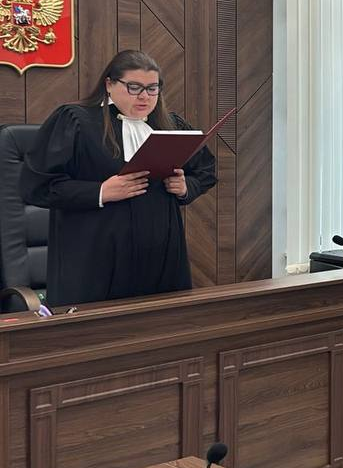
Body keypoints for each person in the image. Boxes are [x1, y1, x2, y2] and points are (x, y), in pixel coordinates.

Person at [20, 50, 218, 306]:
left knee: (163, 322)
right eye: (134, 87)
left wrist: (186, 186)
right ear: (109, 84)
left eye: (153, 88)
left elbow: (206, 169)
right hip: (94, 262)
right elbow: (36, 186)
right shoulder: (76, 121)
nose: (144, 96)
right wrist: (100, 191)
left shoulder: (170, 124)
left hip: (161, 259)